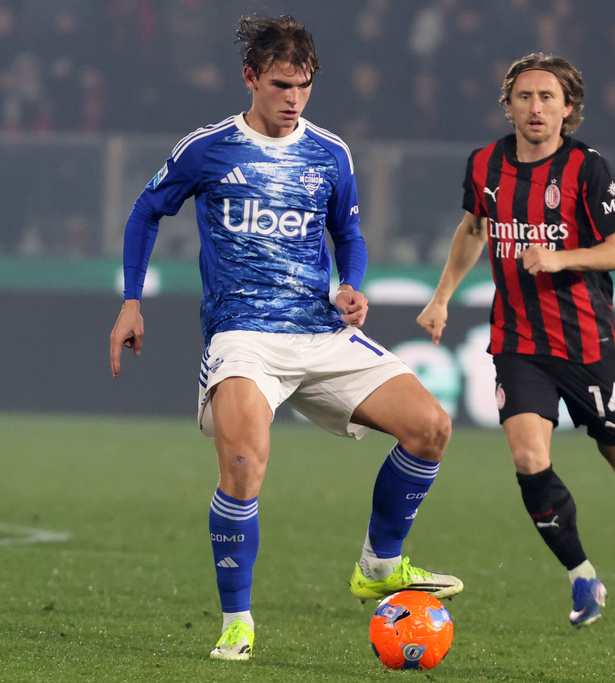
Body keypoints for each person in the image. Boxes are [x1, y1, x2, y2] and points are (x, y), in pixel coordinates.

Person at [108, 14, 462, 662]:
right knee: (243, 466)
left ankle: (380, 564)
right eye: (280, 84)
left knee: (432, 426)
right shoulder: (209, 148)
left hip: (319, 330)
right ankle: (237, 620)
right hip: (244, 335)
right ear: (251, 78)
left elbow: (347, 231)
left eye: (302, 85)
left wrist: (353, 283)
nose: (293, 98)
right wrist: (132, 301)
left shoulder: (329, 152)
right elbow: (145, 210)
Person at [417, 53, 615, 630]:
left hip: (588, 342)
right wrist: (441, 296)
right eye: (525, 97)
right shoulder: (485, 164)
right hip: (517, 337)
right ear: (509, 105)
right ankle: (582, 577)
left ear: (569, 108)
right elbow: (473, 229)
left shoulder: (589, 169)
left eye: (548, 98)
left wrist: (561, 257)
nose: (536, 108)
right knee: (527, 457)